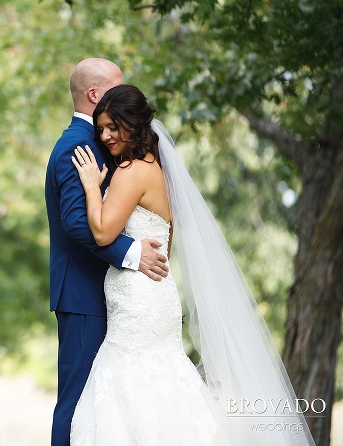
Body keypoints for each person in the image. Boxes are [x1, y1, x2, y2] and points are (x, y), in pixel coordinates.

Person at [69, 84, 315, 445]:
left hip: (138, 301)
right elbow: (162, 241)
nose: (104, 136)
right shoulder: (157, 167)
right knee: (158, 384)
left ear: (132, 125)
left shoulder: (132, 170)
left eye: (112, 127)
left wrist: (92, 186)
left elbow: (104, 233)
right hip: (154, 295)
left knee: (131, 383)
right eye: (101, 128)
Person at [44, 59, 169, 446]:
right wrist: (133, 253)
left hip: (119, 298)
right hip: (84, 294)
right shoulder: (80, 145)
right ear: (96, 95)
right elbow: (78, 223)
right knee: (79, 403)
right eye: (117, 87)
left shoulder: (112, 149)